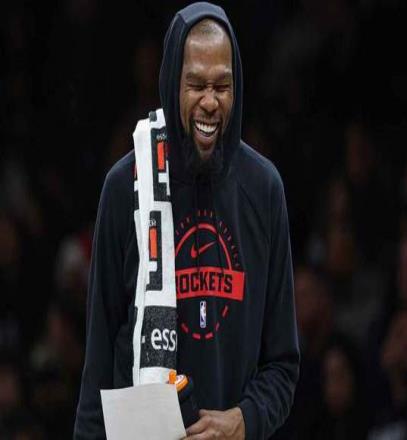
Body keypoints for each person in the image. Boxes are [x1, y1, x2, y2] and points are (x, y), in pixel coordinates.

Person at [74, 2, 300, 439]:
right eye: (195, 85)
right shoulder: (126, 187)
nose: (210, 102)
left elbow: (283, 364)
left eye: (222, 86)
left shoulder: (264, 189)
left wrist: (243, 420)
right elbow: (98, 364)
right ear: (170, 83)